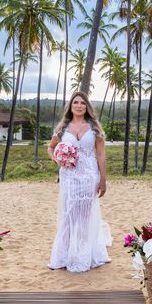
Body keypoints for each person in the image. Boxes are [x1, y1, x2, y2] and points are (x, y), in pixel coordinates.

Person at [47, 91, 111, 272]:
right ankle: (65, 254)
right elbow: (51, 148)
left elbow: (100, 154)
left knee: (84, 216)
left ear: (87, 107)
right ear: (71, 106)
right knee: (68, 214)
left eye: (83, 103)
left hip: (89, 176)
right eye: (76, 102)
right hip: (69, 177)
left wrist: (103, 179)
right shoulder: (62, 128)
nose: (79, 105)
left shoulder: (95, 128)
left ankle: (82, 255)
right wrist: (57, 159)